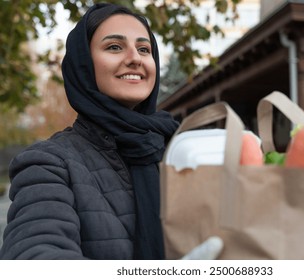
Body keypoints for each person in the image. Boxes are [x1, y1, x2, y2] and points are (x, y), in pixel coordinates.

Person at [0, 3, 222, 260]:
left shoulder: (186, 149)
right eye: (114, 47)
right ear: (83, 66)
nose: (135, 58)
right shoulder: (49, 163)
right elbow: (36, 256)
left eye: (144, 49)